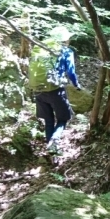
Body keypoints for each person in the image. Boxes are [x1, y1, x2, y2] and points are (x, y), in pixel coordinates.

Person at [30, 25, 82, 154]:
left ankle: (50, 151)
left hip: (38, 90)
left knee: (48, 120)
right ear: (66, 39)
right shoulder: (65, 51)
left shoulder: (40, 47)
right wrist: (76, 84)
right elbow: (70, 71)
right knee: (63, 118)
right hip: (55, 90)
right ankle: (54, 140)